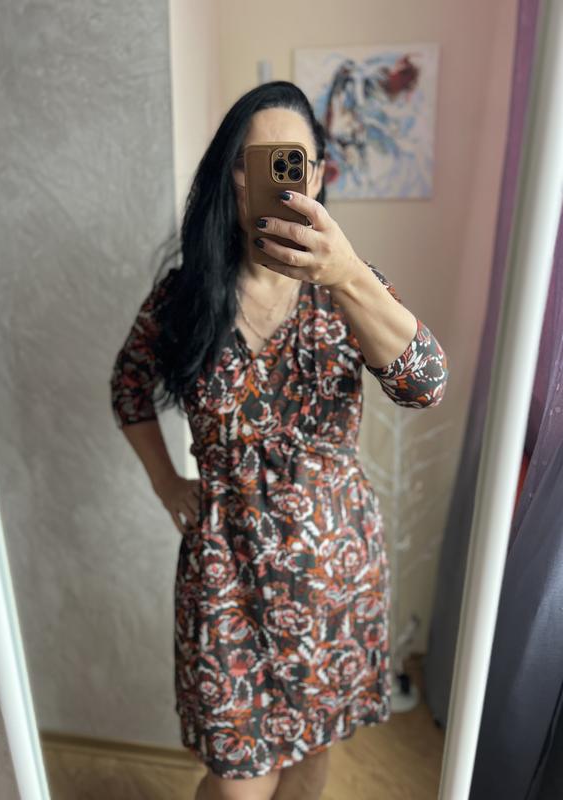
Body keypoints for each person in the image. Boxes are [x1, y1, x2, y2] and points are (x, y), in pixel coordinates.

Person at [109, 80, 449, 800]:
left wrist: (348, 273)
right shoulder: (183, 296)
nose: (274, 178)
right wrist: (166, 483)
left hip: (333, 574)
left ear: (317, 176)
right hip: (224, 579)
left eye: (292, 162)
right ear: (232, 175)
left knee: (309, 758)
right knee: (239, 782)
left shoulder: (349, 289)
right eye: (255, 161)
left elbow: (426, 383)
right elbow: (128, 388)